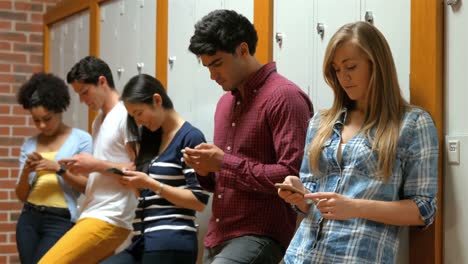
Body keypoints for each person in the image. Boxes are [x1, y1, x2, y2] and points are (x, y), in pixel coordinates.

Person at [278, 21, 439, 263]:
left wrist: (355, 207)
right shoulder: (321, 122)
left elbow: (424, 209)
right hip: (300, 255)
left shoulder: (412, 124)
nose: (343, 77)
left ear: (377, 65)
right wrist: (299, 194)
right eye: (336, 70)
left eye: (351, 67)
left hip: (357, 256)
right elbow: (310, 198)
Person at [184, 9, 314, 263]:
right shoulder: (224, 104)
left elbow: (292, 176)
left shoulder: (284, 97)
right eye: (207, 67)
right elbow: (219, 182)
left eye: (217, 64)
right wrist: (204, 169)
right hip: (217, 235)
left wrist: (224, 163)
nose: (212, 76)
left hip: (261, 235)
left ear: (243, 50)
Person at [39, 56, 138, 263]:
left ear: (102, 82)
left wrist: (95, 165)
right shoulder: (98, 121)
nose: (83, 100)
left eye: (85, 92)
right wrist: (84, 168)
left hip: (111, 216)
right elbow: (106, 168)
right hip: (93, 210)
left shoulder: (126, 115)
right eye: (79, 94)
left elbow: (139, 169)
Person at [101, 74, 210, 263]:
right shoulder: (150, 138)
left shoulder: (190, 138)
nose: (138, 121)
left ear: (157, 100)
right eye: (133, 116)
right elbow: (144, 195)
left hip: (171, 239)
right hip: (143, 239)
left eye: (139, 113)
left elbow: (199, 201)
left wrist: (152, 184)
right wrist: (134, 182)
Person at [15, 72, 92, 264]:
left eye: (47, 119)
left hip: (60, 220)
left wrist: (58, 169)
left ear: (59, 110)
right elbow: (21, 195)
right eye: (36, 120)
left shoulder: (81, 140)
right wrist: (27, 171)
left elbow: (87, 187)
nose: (41, 125)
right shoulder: (29, 145)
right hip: (29, 219)